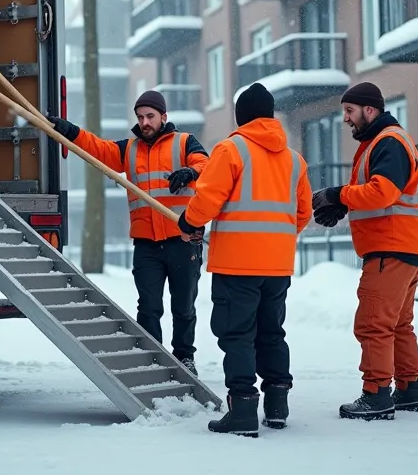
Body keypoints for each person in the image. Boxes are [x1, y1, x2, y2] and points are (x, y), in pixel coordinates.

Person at [177, 83, 313, 437]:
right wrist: (276, 238)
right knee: (271, 332)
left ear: (241, 116)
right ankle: (277, 405)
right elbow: (303, 213)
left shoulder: (232, 149)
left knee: (237, 335)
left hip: (237, 264)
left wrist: (189, 222)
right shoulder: (294, 159)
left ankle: (242, 410)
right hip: (278, 265)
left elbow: (208, 197)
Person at [46, 90, 208, 374]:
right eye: (140, 117)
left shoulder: (184, 142)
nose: (145, 122)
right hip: (146, 244)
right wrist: (71, 132)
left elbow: (206, 165)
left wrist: (190, 172)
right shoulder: (129, 149)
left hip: (182, 240)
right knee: (148, 306)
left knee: (183, 307)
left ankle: (185, 358)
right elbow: (97, 149)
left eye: (150, 116)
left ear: (164, 117)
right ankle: (152, 357)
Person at [311, 81, 418, 421]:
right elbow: (379, 192)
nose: (345, 118)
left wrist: (339, 195)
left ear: (370, 109)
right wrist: (345, 205)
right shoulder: (383, 141)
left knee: (373, 324)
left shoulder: (387, 141)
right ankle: (409, 390)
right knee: (398, 324)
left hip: (390, 248)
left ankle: (377, 395)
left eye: (349, 111)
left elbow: (382, 192)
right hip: (406, 245)